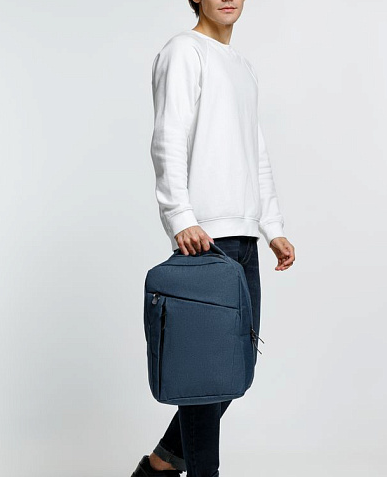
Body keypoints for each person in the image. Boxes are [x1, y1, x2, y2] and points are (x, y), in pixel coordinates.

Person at [132, 1, 295, 476]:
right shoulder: (184, 51)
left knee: (234, 368)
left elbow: (255, 150)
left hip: (243, 239)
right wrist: (179, 215)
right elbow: (168, 135)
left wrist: (272, 227)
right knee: (205, 376)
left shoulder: (243, 66)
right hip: (202, 238)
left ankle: (160, 466)